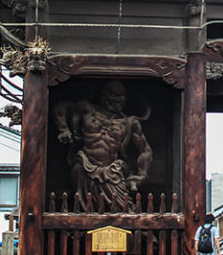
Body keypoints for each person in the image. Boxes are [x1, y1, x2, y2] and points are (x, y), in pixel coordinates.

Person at [53, 81, 153, 212]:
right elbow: (60, 107)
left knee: (125, 210)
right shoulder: (87, 110)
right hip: (84, 166)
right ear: (103, 95)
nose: (117, 99)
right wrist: (63, 129)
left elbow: (145, 150)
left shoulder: (129, 122)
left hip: (112, 171)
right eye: (113, 94)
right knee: (84, 210)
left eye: (121, 96)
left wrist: (142, 174)